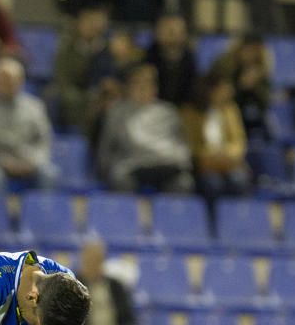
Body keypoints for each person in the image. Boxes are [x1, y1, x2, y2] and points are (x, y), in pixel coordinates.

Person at [96, 64, 193, 193]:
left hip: (165, 165)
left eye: (147, 83)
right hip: (131, 165)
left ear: (155, 88)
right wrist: (107, 170)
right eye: (137, 83)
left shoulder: (168, 112)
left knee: (184, 182)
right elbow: (105, 150)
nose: (142, 88)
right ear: (129, 87)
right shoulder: (117, 112)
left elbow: (182, 145)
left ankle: (172, 213)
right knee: (120, 178)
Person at [0, 57, 57, 193]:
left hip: (28, 161)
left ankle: (40, 212)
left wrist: (33, 161)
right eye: (3, 80)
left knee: (49, 174)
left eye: (12, 80)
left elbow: (44, 141)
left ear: (21, 81)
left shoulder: (35, 107)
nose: (7, 84)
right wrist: (2, 162)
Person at [182, 73, 249, 212]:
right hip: (204, 166)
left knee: (238, 180)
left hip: (228, 163)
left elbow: (239, 141)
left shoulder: (230, 110)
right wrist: (209, 155)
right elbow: (190, 145)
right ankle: (212, 222)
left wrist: (227, 153)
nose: (228, 91)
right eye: (223, 88)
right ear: (210, 90)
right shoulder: (189, 112)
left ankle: (236, 221)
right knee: (213, 183)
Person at [73, 238, 140, 325]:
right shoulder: (74, 286)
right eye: (89, 261)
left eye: (97, 260)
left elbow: (129, 318)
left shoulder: (115, 286)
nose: (93, 264)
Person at [51, 0, 111, 132]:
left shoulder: (110, 48)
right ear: (79, 22)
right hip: (77, 98)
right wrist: (89, 100)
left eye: (96, 20)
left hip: (104, 99)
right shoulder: (66, 49)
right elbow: (63, 81)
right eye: (88, 20)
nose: (92, 25)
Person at [143, 12, 197, 107]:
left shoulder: (190, 60)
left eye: (176, 31)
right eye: (168, 30)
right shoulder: (146, 60)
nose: (172, 36)